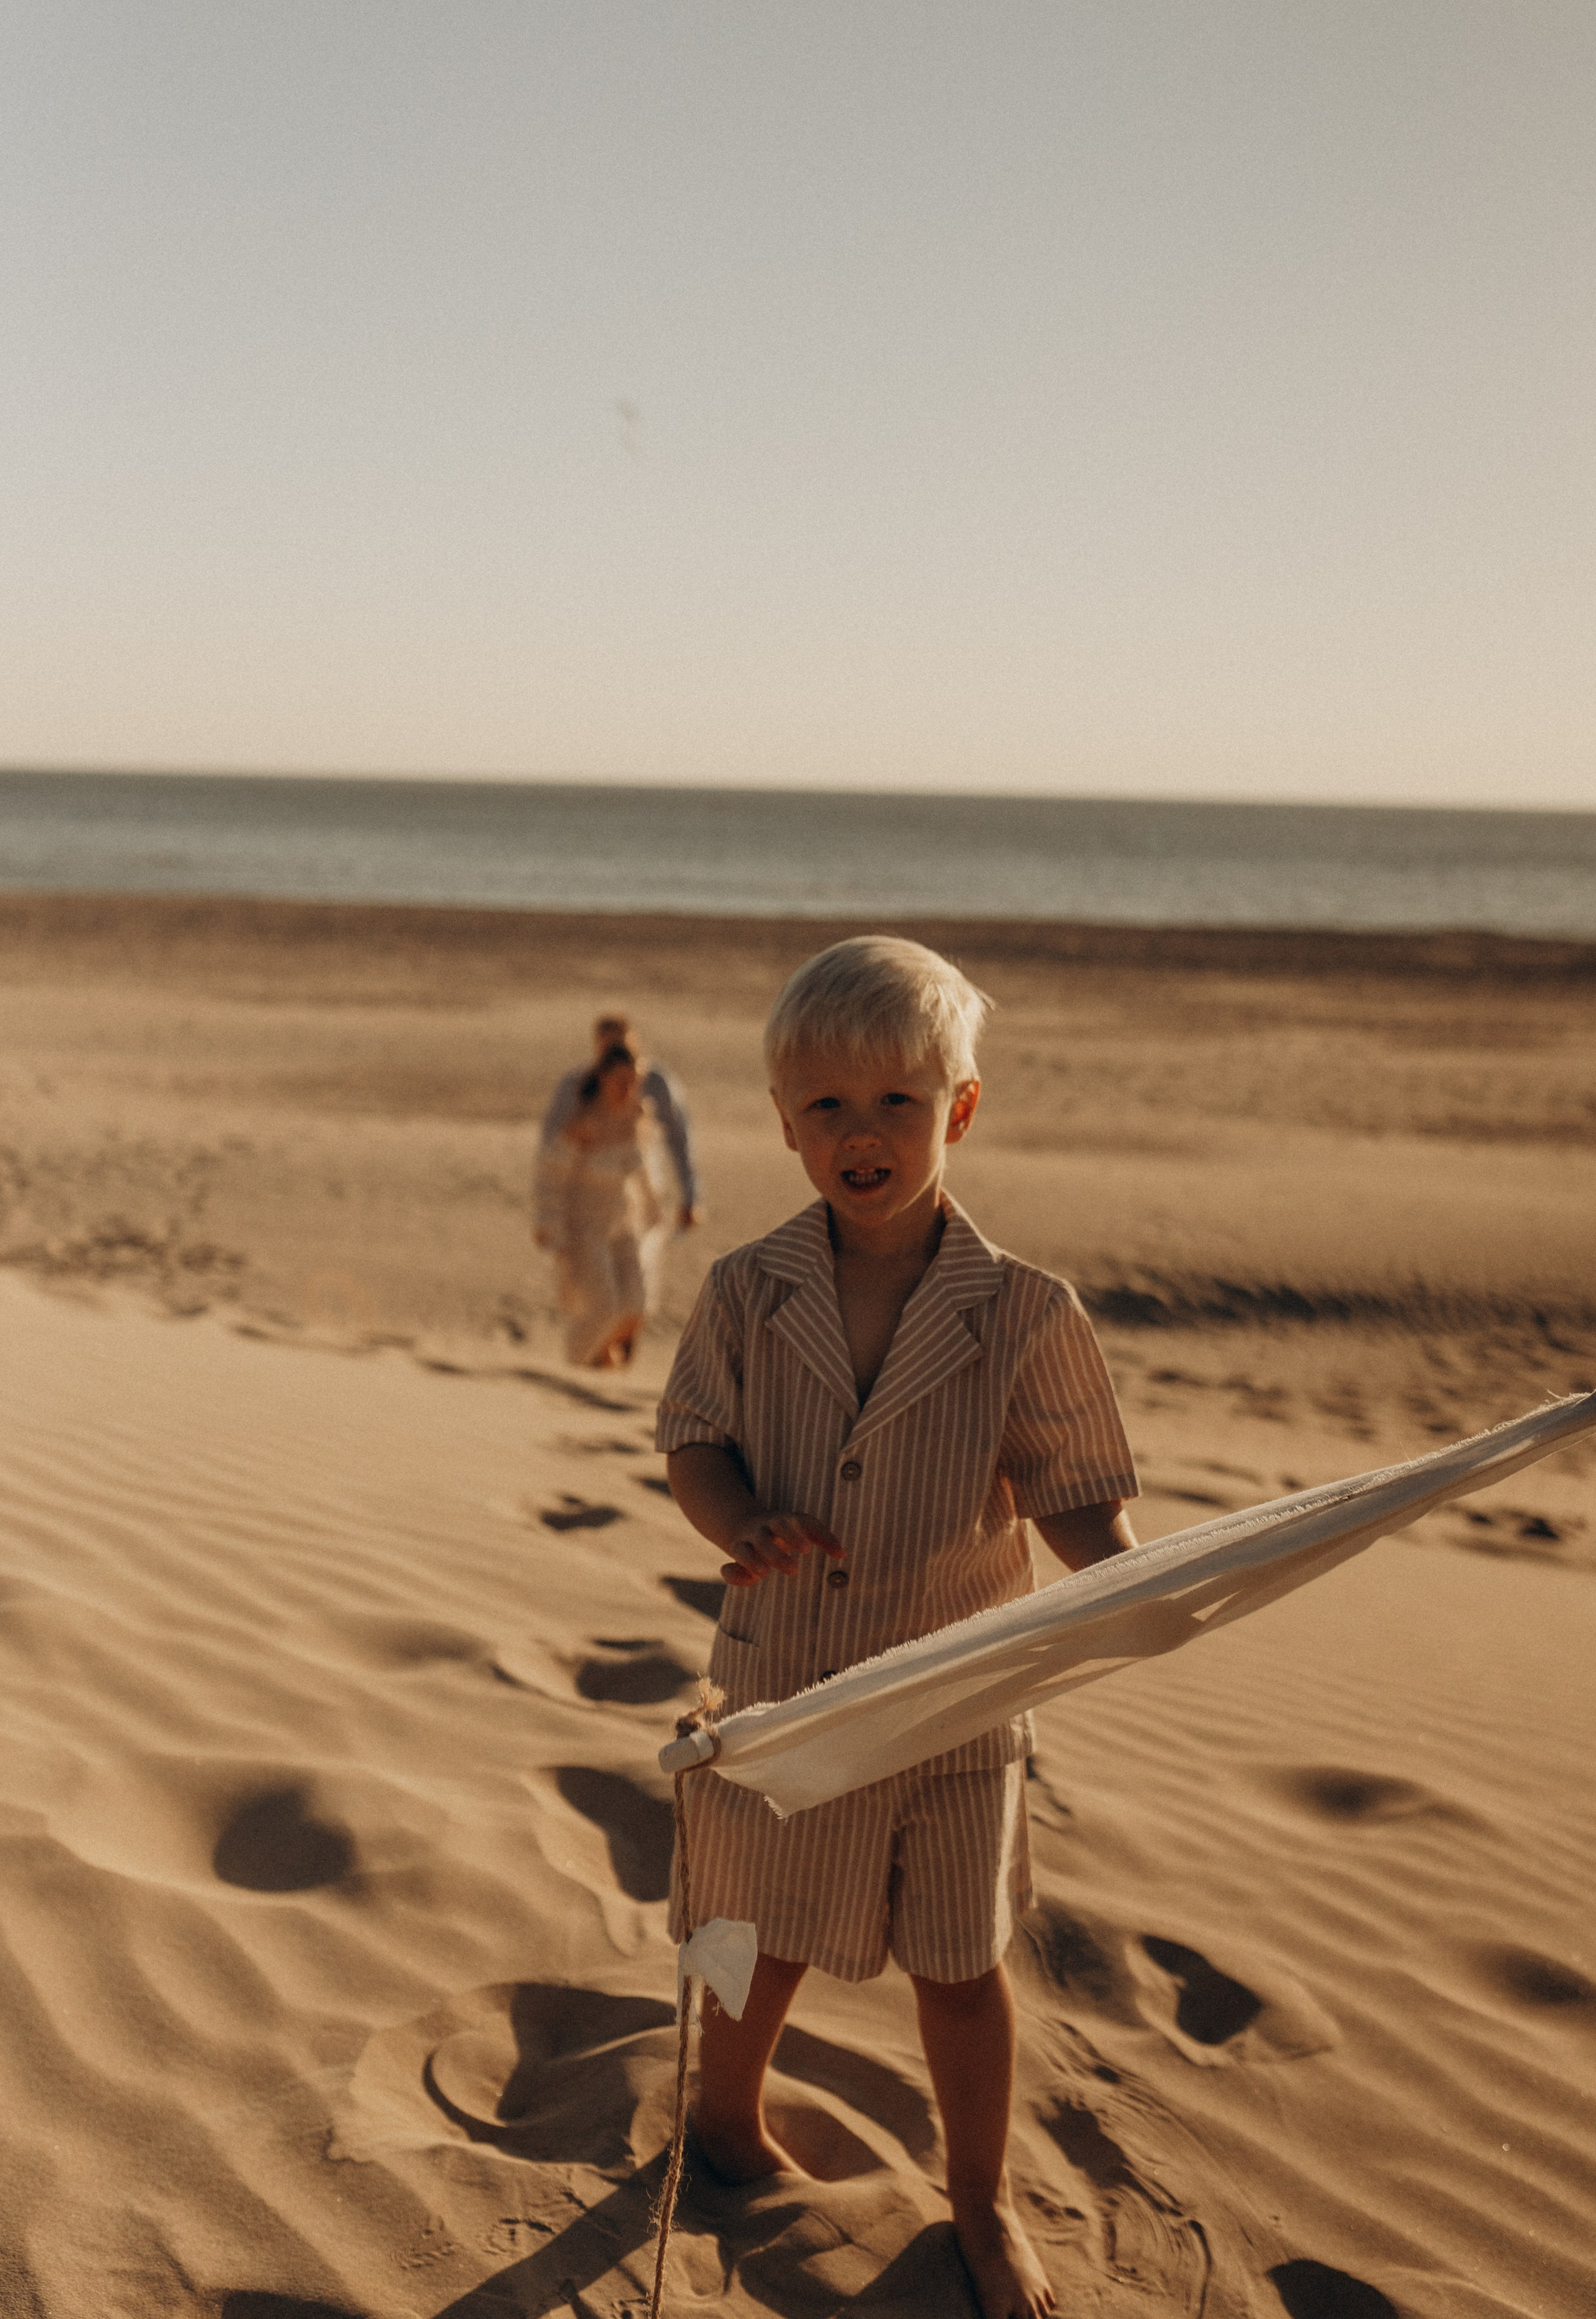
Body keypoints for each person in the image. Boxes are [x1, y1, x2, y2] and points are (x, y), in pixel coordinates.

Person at [657, 937, 1139, 2319]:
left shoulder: (1022, 1312)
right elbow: (691, 1441)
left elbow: (1073, 1494)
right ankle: (724, 2113)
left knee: (958, 1957)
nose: (858, 1137)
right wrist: (737, 1519)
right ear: (783, 1124)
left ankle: (981, 2202)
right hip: (787, 1682)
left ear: (960, 1113)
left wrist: (1129, 1581)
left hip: (954, 1694)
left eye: (895, 1106)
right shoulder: (749, 1289)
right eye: (825, 1108)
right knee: (765, 1922)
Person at [533, 1042, 675, 1368]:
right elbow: (551, 1178)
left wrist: (657, 1217)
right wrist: (550, 1227)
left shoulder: (640, 1119)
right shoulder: (584, 1122)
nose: (627, 1089)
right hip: (586, 1230)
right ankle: (574, 1372)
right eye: (620, 1081)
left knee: (638, 1303)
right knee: (603, 1307)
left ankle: (600, 1364)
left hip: (627, 1228)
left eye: (634, 1081)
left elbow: (647, 1174)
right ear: (604, 1079)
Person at [540, 1015, 701, 1230]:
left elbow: (680, 1139)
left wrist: (691, 1196)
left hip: (640, 1199)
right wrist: (549, 1217)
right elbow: (551, 1149)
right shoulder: (577, 1086)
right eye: (608, 1050)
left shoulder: (657, 1084)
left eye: (621, 1047)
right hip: (587, 1207)